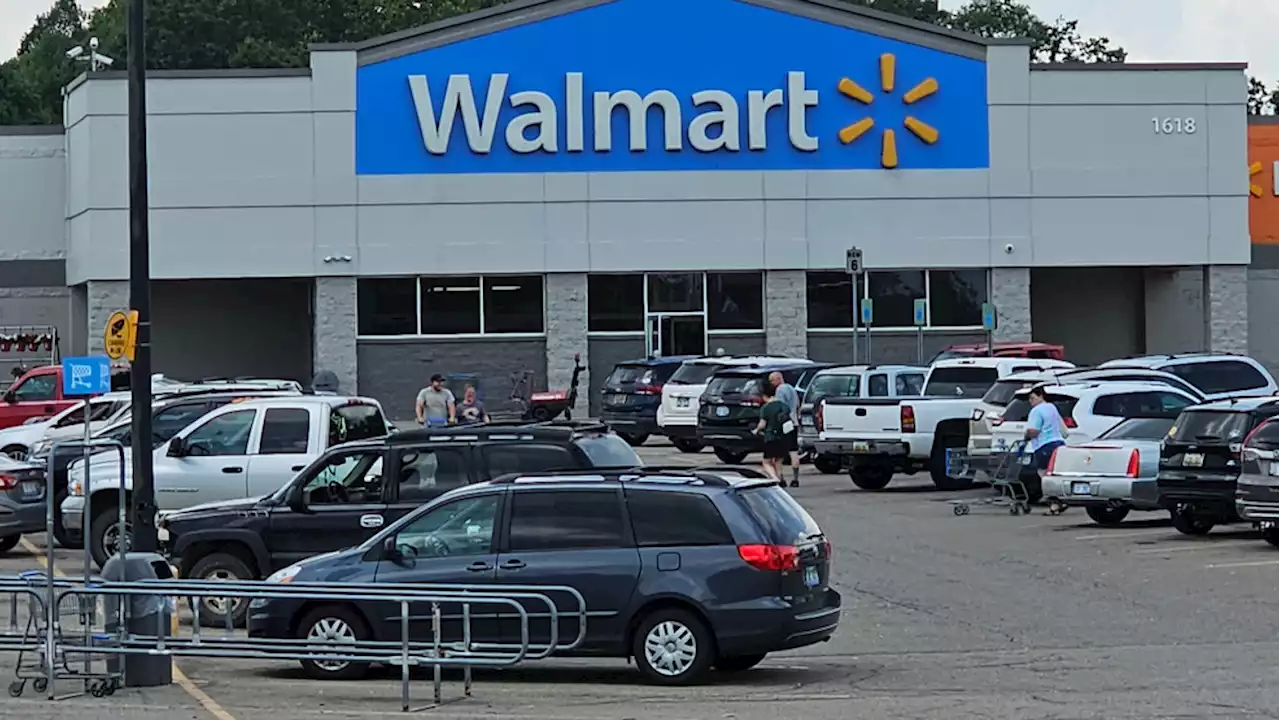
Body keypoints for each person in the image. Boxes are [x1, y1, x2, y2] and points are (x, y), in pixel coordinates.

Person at [1024, 385, 1068, 479]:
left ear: (1041, 396)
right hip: (1059, 444)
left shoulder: (1036, 411)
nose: (1030, 401)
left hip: (1044, 446)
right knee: (1056, 472)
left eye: (1033, 398)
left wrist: (1026, 436)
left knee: (1043, 472)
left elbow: (1034, 431)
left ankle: (1046, 491)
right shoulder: (1052, 407)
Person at [769, 371, 801, 488]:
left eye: (772, 380)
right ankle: (795, 479)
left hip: (784, 424)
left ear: (778, 379)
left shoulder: (780, 390)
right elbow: (797, 406)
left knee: (779, 453)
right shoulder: (792, 389)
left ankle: (780, 478)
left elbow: (780, 408)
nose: (771, 383)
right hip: (794, 423)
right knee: (794, 451)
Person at [752, 385, 788, 485]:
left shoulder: (766, 408)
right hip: (783, 436)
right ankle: (781, 476)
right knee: (778, 459)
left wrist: (756, 430)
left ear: (764, 396)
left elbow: (762, 424)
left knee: (766, 461)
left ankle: (774, 478)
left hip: (770, 437)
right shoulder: (783, 405)